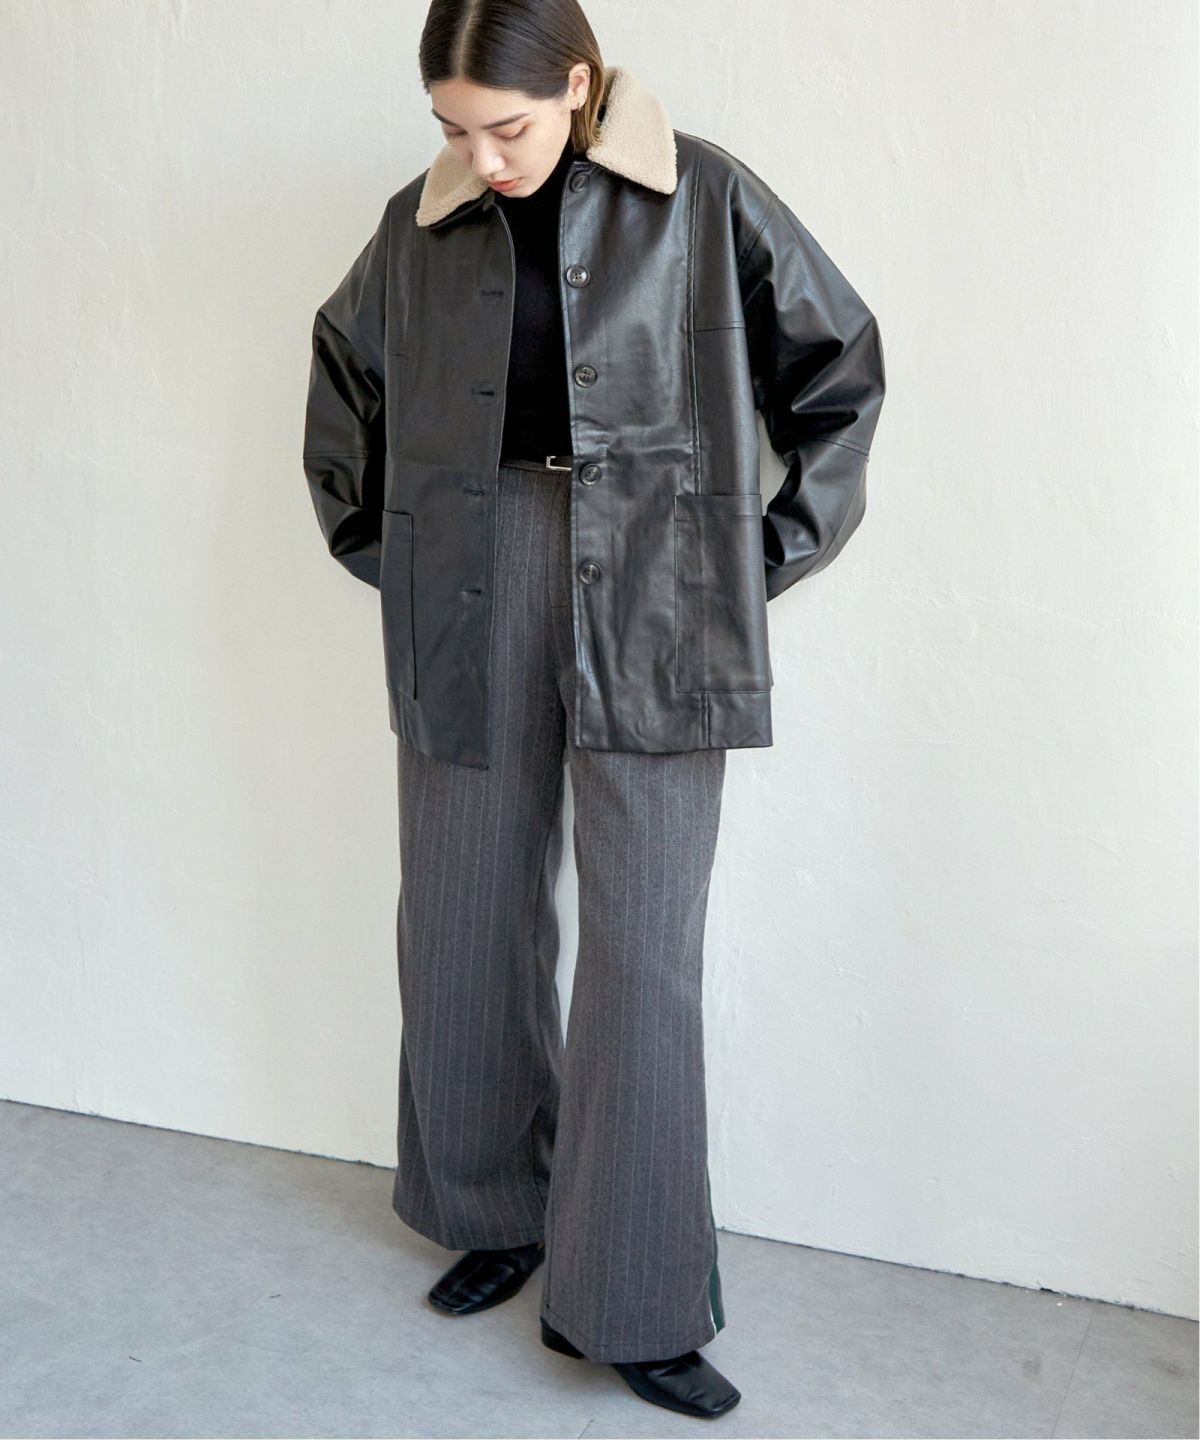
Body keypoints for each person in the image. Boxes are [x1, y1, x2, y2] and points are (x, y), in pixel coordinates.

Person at [303, 0, 886, 1419]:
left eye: (505, 126)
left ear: (577, 83)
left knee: (643, 945)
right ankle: (495, 1210)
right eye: (453, 130)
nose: (482, 158)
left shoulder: (704, 195)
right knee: (463, 906)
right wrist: (393, 551)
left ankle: (629, 1292)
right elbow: (344, 380)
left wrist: (752, 557)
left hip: (658, 580)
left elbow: (841, 368)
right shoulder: (418, 226)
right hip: (472, 575)